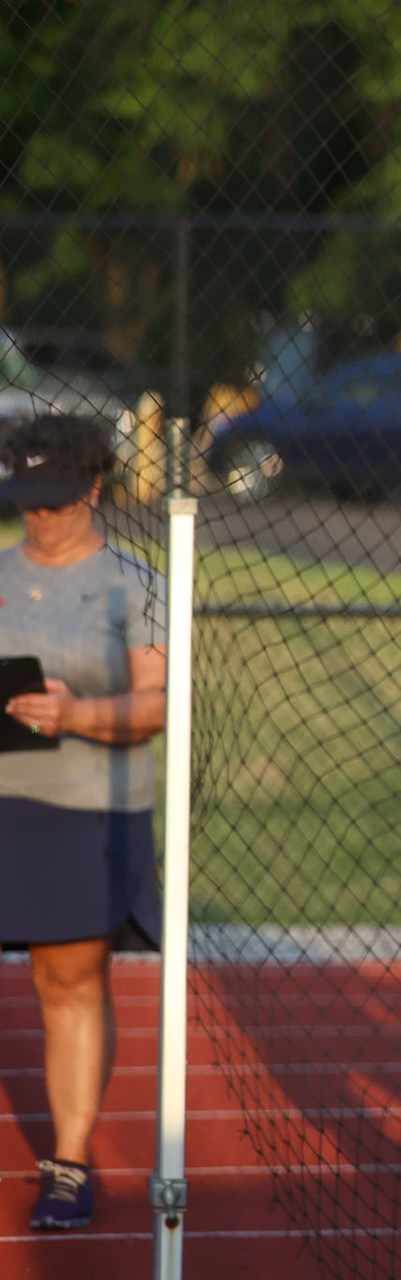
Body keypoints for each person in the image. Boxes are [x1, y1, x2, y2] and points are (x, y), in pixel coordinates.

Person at [0, 417, 167, 1231]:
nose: (41, 517)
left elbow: (159, 705)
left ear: (94, 490)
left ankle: (68, 1162)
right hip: (2, 805)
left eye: (56, 502)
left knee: (65, 983)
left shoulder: (132, 583)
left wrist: (78, 714)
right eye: (27, 501)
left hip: (85, 808)